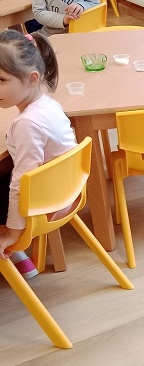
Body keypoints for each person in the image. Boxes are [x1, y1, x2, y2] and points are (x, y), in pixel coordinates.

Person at [0, 29, 76, 280]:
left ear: (32, 78)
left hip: (44, 203)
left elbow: (22, 182)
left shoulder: (27, 124)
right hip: (65, 189)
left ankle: (15, 252)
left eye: (1, 80)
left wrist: (13, 232)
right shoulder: (49, 104)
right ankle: (21, 259)